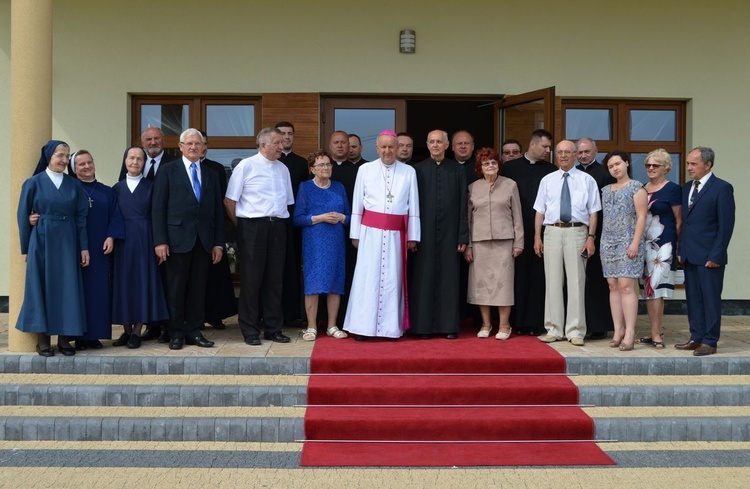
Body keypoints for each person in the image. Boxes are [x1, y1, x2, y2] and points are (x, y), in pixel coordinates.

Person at [343, 130, 420, 340]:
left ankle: (389, 329)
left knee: (392, 281)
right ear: (377, 149)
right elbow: (357, 204)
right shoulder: (365, 170)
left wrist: (413, 236)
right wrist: (355, 234)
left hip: (397, 235)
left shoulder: (408, 172)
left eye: (391, 147)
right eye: (383, 147)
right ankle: (363, 327)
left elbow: (413, 207)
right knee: (367, 279)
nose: (387, 151)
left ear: (397, 148)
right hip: (370, 234)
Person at [152, 128, 224, 350]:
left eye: (197, 144)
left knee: (197, 289)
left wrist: (218, 242)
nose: (194, 147)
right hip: (175, 241)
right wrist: (160, 241)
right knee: (176, 288)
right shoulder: (167, 171)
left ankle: (194, 331)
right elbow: (158, 208)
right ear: (180, 147)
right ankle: (176, 332)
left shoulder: (211, 174)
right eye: (189, 144)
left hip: (203, 241)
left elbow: (217, 212)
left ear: (203, 147)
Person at [17, 140, 89, 357]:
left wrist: (83, 247)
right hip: (41, 240)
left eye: (67, 156)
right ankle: (43, 340)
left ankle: (65, 339)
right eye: (60, 155)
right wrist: (26, 247)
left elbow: (81, 218)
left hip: (68, 239)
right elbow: (22, 216)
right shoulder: (33, 183)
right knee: (42, 287)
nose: (64, 160)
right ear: (49, 156)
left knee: (67, 288)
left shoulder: (74, 184)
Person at [225, 127, 294, 346]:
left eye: (282, 143)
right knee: (251, 281)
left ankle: (273, 328)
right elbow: (230, 201)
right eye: (277, 143)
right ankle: (250, 330)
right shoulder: (246, 166)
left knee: (275, 281)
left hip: (278, 226)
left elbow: (288, 202)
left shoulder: (283, 169)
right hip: (252, 226)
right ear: (264, 144)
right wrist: (244, 227)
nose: (281, 147)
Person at [534, 140, 601, 347]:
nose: (563, 155)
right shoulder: (547, 180)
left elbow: (593, 212)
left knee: (576, 282)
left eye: (567, 152)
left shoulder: (587, 180)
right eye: (559, 152)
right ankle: (554, 328)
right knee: (552, 281)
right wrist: (537, 236)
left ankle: (575, 331)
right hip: (552, 231)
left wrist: (591, 237)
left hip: (577, 232)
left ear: (575, 155)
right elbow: (539, 211)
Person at [675, 147, 735, 356]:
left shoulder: (722, 188)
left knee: (710, 299)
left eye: (694, 164)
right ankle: (696, 337)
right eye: (688, 164)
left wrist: (716, 255)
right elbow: (686, 223)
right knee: (693, 298)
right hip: (690, 255)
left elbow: (725, 226)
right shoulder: (687, 188)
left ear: (708, 165)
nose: (689, 168)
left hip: (710, 257)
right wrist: (681, 250)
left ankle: (710, 341)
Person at [409, 129, 469, 339]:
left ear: (446, 145)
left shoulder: (457, 170)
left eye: (439, 142)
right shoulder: (416, 171)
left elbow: (463, 204)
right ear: (427, 145)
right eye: (431, 142)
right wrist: (412, 236)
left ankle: (448, 327)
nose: (435, 145)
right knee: (423, 278)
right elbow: (411, 207)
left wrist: (463, 235)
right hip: (423, 234)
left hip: (451, 234)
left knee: (449, 280)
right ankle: (422, 327)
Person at [119, 127, 175, 342]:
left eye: (138, 159)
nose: (135, 162)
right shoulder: (116, 188)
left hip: (148, 239)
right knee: (125, 285)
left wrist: (160, 240)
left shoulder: (154, 184)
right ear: (125, 161)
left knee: (147, 284)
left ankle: (146, 328)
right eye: (131, 158)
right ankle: (128, 330)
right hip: (125, 242)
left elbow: (160, 211)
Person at [67, 150, 125, 350]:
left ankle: (95, 335)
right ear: (74, 168)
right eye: (81, 164)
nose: (86, 166)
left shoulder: (106, 191)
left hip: (100, 250)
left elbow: (115, 217)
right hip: (77, 248)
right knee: (79, 293)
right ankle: (79, 336)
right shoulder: (70, 189)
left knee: (99, 292)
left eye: (89, 162)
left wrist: (111, 236)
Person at [500, 129, 555, 336]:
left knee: (541, 276)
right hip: (517, 229)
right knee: (518, 276)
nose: (548, 151)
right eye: (545, 146)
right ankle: (518, 322)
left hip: (544, 230)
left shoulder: (551, 169)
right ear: (532, 145)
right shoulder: (510, 168)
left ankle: (538, 322)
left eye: (549, 147)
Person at [464, 148, 523, 340]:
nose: (490, 166)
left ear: (498, 165)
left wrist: (518, 242)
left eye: (493, 163)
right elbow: (468, 220)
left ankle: (504, 325)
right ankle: (486, 324)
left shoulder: (510, 185)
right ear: (480, 168)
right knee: (481, 285)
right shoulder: (473, 188)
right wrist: (469, 245)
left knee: (503, 283)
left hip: (504, 242)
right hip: (479, 242)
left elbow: (517, 216)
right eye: (486, 163)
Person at [293, 150, 351, 341]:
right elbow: (298, 218)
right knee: (313, 283)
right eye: (321, 165)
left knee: (335, 281)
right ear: (312, 169)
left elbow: (350, 217)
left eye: (328, 164)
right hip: (314, 243)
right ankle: (311, 327)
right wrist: (321, 218)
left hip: (336, 242)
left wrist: (342, 217)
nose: (326, 168)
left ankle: (332, 325)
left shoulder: (339, 187)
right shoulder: (305, 187)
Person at [600, 151, 647, 351]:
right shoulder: (605, 190)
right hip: (608, 241)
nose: (615, 168)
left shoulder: (637, 187)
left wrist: (635, 242)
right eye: (611, 166)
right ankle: (618, 330)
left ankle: (630, 332)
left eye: (618, 163)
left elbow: (642, 217)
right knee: (613, 285)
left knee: (627, 285)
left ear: (626, 163)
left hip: (629, 240)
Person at [640, 149, 682, 348]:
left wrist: (678, 247)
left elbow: (679, 221)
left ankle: (657, 334)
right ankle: (654, 330)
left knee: (657, 289)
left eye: (655, 165)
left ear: (665, 167)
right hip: (643, 245)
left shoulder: (672, 189)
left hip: (662, 247)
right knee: (649, 291)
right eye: (648, 165)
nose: (650, 168)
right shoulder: (641, 188)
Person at [576, 137, 616, 340]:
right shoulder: (572, 174)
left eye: (587, 151)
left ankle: (599, 325)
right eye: (580, 152)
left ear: (595, 151)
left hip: (599, 234)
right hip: (576, 233)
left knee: (597, 281)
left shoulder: (604, 175)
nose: (583, 155)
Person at [199, 131, 237, 330]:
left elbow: (223, 198)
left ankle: (216, 315)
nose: (201, 147)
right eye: (197, 143)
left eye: (204, 143)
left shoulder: (216, 169)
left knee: (216, 274)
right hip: (192, 231)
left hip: (213, 227)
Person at [276, 121, 309, 327]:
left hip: (295, 224)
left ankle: (293, 312)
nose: (287, 137)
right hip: (274, 223)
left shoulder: (301, 162)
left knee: (294, 267)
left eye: (290, 134)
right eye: (283, 134)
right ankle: (273, 313)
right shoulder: (272, 161)